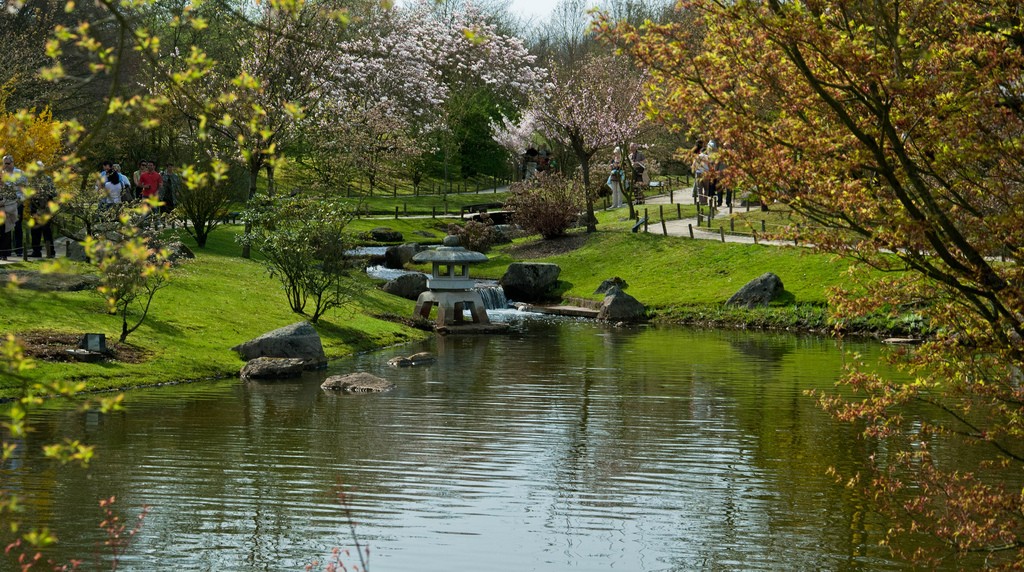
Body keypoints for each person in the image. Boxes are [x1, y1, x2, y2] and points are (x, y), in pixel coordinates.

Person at [29, 162, 56, 258]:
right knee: (35, 231)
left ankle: (51, 251)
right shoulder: (33, 180)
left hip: (45, 209)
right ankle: (36, 251)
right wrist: (32, 210)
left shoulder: (47, 179)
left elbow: (53, 194)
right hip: (35, 208)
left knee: (46, 231)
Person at [2, 155, 27, 257]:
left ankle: (19, 250)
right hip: (6, 204)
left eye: (8, 163)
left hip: (17, 203)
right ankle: (6, 251)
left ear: (12, 163)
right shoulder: (2, 174)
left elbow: (23, 189)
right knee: (6, 227)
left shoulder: (19, 173)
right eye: (4, 163)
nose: (6, 165)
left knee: (17, 226)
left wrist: (20, 201)